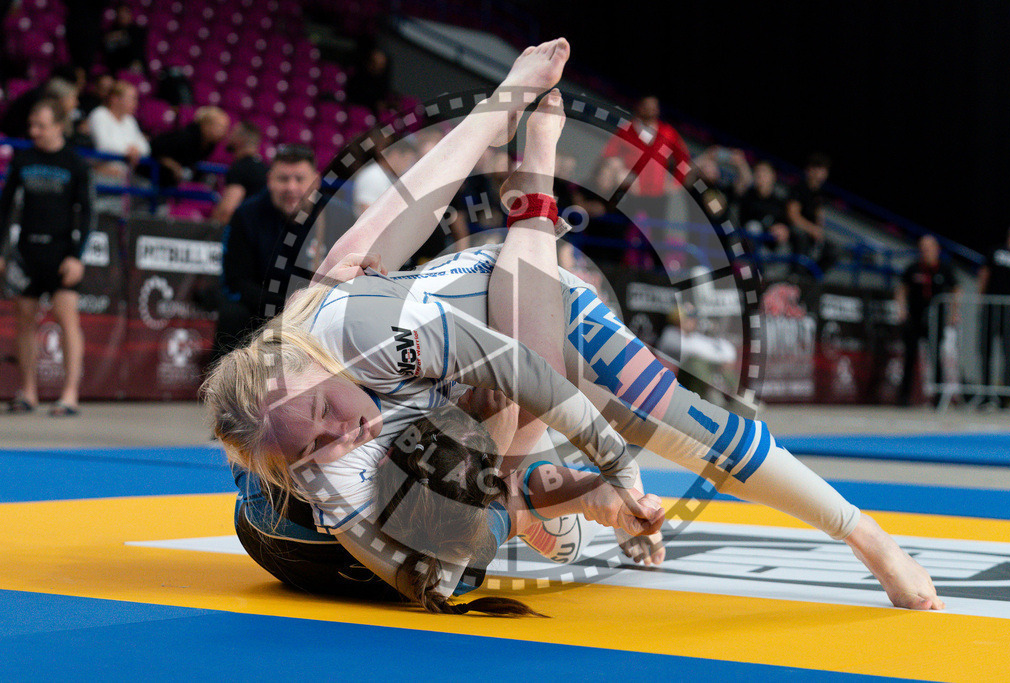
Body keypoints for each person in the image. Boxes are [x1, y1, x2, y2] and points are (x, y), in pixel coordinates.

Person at [203, 40, 944, 614]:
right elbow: (489, 430)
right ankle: (533, 205)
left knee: (679, 425)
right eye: (321, 438)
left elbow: (520, 355)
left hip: (504, 319)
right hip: (405, 486)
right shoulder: (307, 440)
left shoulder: (348, 331)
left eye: (331, 412)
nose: (345, 430)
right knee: (481, 433)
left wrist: (509, 113)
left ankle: (866, 534)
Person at [0, 98, 93, 416]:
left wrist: (77, 256)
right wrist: (1, 251)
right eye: (31, 125)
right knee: (24, 320)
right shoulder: (23, 159)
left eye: (40, 125)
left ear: (58, 125)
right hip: (27, 251)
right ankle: (28, 392)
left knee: (67, 319)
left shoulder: (75, 163)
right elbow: (5, 208)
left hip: (61, 252)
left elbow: (88, 213)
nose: (33, 130)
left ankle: (69, 394)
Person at [212, 145, 318, 363]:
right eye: (283, 179)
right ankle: (228, 390)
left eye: (300, 179)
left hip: (315, 308)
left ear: (315, 182)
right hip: (261, 305)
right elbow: (237, 280)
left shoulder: (334, 216)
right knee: (233, 313)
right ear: (269, 180)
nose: (291, 187)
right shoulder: (246, 215)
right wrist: (284, 305)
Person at [601, 95, 689, 230]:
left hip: (658, 196)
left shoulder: (668, 132)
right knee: (618, 229)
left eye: (653, 107)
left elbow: (683, 159)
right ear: (639, 108)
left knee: (658, 236)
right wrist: (620, 175)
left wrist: (676, 183)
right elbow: (608, 155)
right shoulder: (626, 130)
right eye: (646, 107)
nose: (650, 110)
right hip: (629, 192)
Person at [895, 235, 960, 406]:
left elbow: (956, 290)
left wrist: (954, 313)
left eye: (929, 247)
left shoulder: (945, 269)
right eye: (922, 248)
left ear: (936, 249)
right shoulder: (913, 268)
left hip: (936, 320)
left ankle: (938, 398)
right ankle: (904, 397)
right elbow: (901, 290)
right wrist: (901, 310)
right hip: (915, 318)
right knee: (910, 356)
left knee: (935, 357)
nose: (926, 251)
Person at [977, 221, 1010, 408]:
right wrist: (981, 300)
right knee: (986, 351)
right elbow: (984, 274)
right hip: (991, 307)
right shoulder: (995, 251)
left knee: (1009, 353)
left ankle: (1006, 397)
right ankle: (986, 394)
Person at [87, 80, 150, 212]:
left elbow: (145, 148)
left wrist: (133, 151)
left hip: (123, 176)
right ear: (115, 99)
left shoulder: (129, 121)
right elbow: (104, 145)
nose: (135, 104)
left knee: (147, 189)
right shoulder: (99, 115)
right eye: (132, 99)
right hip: (101, 175)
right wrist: (130, 150)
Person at [147, 106, 230, 187]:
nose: (224, 131)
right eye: (220, 126)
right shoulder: (186, 137)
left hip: (169, 183)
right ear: (206, 125)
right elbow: (155, 146)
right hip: (149, 178)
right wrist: (172, 164)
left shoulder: (209, 144)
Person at [786, 152, 838, 275]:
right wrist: (812, 229)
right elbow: (793, 216)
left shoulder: (819, 194)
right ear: (810, 170)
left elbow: (820, 216)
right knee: (801, 237)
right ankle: (797, 276)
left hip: (811, 231)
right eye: (819, 169)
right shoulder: (799, 188)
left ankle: (811, 278)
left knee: (834, 250)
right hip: (797, 230)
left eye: (824, 170)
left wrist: (819, 230)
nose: (822, 173)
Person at [209, 122, 268, 226]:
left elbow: (226, 211)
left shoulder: (240, 168)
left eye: (232, 133)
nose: (228, 136)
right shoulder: (265, 168)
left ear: (240, 139)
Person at [101, 2, 148, 74]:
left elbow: (139, 52)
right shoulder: (111, 32)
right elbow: (108, 53)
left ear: (130, 14)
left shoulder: (138, 31)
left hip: (134, 68)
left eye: (125, 12)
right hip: (115, 70)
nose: (122, 15)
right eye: (120, 13)